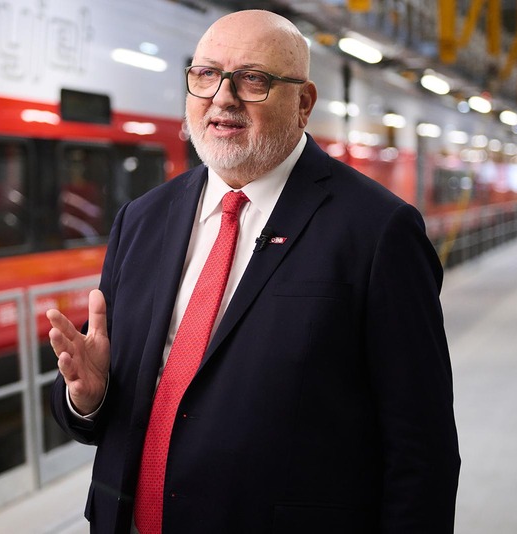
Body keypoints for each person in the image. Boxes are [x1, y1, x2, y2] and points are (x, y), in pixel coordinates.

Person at [47, 9, 460, 533]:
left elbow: (422, 452)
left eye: (253, 79)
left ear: (304, 103)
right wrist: (90, 398)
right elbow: (103, 423)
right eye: (204, 75)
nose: (222, 98)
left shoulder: (378, 232)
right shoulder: (143, 219)